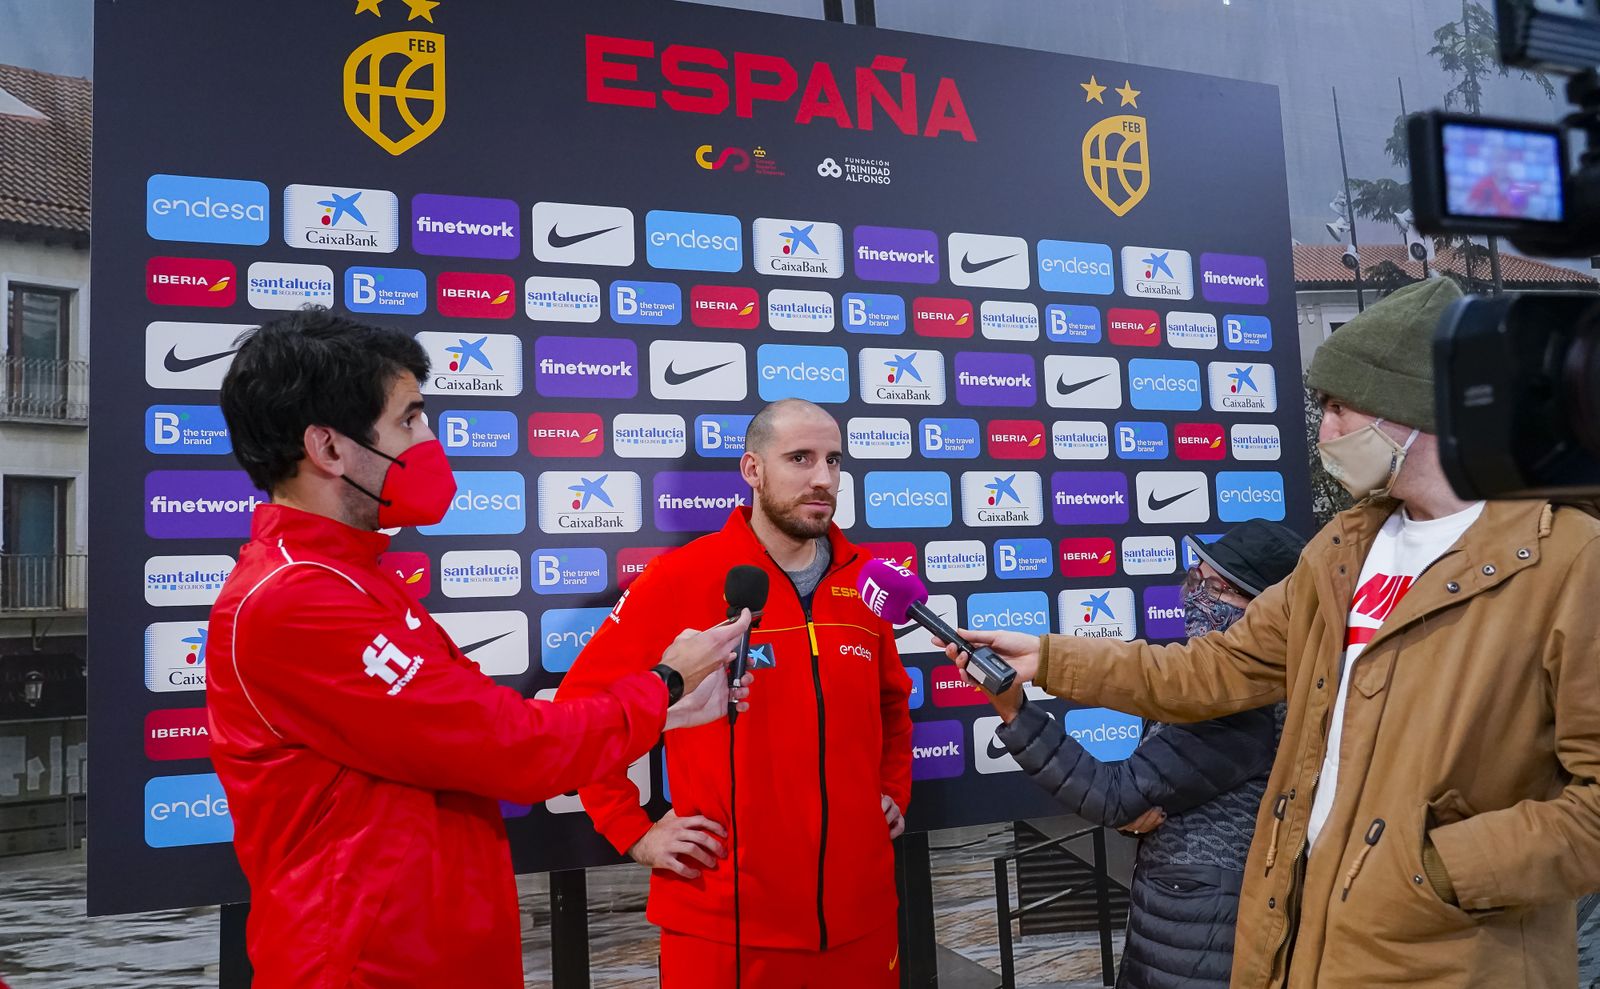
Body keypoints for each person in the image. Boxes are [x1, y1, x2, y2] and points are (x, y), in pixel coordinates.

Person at [944, 278, 1600, 988]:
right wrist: (1049, 656)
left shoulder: (1570, 561)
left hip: (1454, 959)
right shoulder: (1341, 551)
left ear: (1415, 409)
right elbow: (1212, 671)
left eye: (1338, 407)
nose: (1324, 432)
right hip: (1305, 945)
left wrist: (1433, 869)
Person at [206, 309, 752, 989]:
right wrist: (665, 680)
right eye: (410, 420)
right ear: (329, 447)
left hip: (433, 958)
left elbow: (459, 734)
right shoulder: (294, 599)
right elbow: (509, 746)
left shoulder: (353, 575)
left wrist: (663, 710)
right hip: (365, 968)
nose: (430, 440)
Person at [560, 398, 914, 988]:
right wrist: (634, 830)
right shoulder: (682, 578)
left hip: (863, 920)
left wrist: (892, 789)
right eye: (800, 458)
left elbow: (892, 706)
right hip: (723, 926)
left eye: (833, 460)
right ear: (753, 470)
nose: (823, 478)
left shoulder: (868, 581)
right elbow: (584, 712)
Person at [988, 520, 1305, 989]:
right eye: (1198, 577)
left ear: (1266, 617)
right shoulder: (1207, 682)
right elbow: (1145, 791)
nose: (1196, 594)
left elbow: (1116, 795)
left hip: (1203, 927)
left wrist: (1014, 711)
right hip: (1186, 914)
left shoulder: (1242, 705)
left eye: (1219, 589)